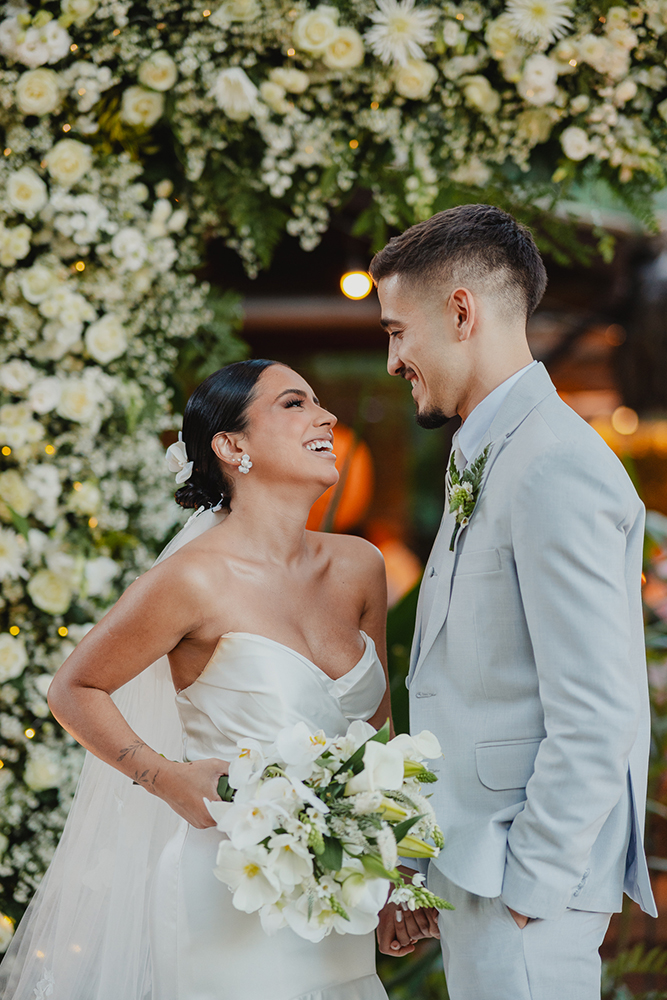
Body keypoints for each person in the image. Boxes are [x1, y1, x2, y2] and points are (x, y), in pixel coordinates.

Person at [0, 360, 393, 1000]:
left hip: (340, 893)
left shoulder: (360, 567)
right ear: (232, 447)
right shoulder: (190, 580)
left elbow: (377, 730)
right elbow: (72, 689)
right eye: (295, 404)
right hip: (229, 889)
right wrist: (167, 777)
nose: (326, 418)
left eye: (320, 403)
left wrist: (397, 867)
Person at [373, 205, 657, 999]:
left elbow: (597, 708)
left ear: (460, 311)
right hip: (483, 870)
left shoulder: (550, 465)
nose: (393, 357)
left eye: (398, 330)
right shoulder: (493, 452)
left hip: (523, 889)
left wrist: (529, 885)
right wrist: (434, 860)